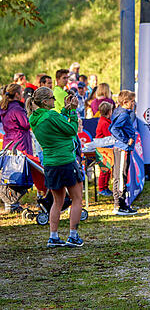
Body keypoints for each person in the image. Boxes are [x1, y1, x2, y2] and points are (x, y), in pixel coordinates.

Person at [26, 87, 85, 247]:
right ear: (45, 102)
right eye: (52, 97)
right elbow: (71, 130)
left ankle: (53, 236)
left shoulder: (35, 118)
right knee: (77, 198)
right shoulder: (50, 115)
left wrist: (65, 110)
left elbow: (57, 123)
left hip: (51, 164)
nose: (54, 100)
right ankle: (73, 235)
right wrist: (73, 112)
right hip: (65, 160)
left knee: (57, 202)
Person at [0, 84, 32, 213]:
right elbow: (25, 124)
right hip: (20, 142)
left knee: (9, 174)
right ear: (17, 94)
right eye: (21, 92)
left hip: (9, 141)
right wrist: (31, 115)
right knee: (21, 174)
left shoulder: (4, 107)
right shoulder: (16, 109)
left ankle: (10, 204)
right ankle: (12, 202)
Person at [110, 90, 138, 216]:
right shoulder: (124, 115)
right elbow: (114, 128)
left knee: (120, 175)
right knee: (121, 176)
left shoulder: (121, 112)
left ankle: (122, 204)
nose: (134, 103)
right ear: (125, 102)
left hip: (122, 148)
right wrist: (126, 140)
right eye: (132, 101)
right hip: (122, 148)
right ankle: (119, 204)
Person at [95, 101, 115, 197]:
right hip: (102, 148)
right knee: (104, 169)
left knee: (107, 169)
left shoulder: (105, 121)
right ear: (108, 112)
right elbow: (108, 136)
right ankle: (102, 189)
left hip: (105, 148)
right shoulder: (104, 123)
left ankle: (105, 188)